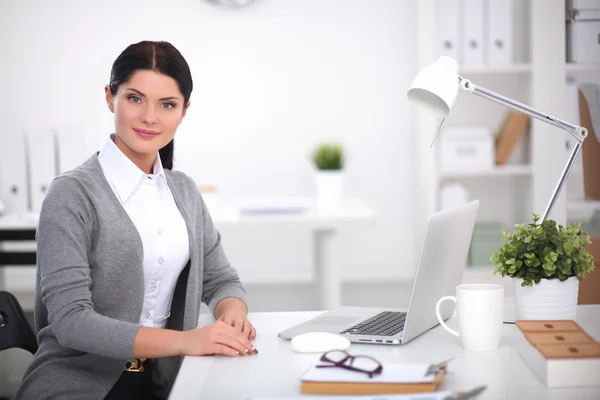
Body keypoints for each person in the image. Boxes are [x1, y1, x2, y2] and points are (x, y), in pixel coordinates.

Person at [16, 40, 257, 400]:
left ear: (184, 111)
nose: (150, 117)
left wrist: (232, 314)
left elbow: (221, 279)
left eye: (167, 105)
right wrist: (188, 341)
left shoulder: (184, 191)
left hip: (168, 382)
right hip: (78, 384)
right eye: (134, 98)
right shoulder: (72, 194)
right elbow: (70, 322)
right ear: (110, 97)